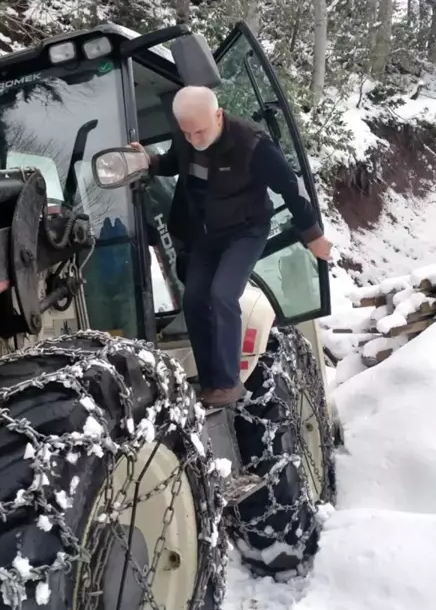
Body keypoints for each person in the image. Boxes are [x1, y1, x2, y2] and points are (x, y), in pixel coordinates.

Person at [130, 86, 332, 407]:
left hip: (245, 231)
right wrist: (150, 161)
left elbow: (291, 189)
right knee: (194, 299)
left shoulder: (252, 144)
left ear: (219, 115)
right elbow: (174, 162)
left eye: (200, 131)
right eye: (187, 132)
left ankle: (228, 382)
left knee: (223, 293)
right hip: (205, 234)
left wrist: (313, 235)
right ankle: (211, 383)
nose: (194, 138)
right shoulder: (187, 136)